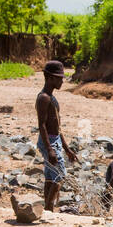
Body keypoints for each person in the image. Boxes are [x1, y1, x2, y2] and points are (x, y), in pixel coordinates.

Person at [36, 60, 77, 211]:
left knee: (50, 176)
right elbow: (42, 125)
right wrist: (50, 149)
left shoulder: (51, 98)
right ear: (50, 78)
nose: (62, 81)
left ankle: (47, 208)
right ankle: (48, 208)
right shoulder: (44, 98)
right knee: (60, 175)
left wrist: (66, 148)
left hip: (55, 140)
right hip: (49, 142)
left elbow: (57, 127)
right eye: (59, 78)